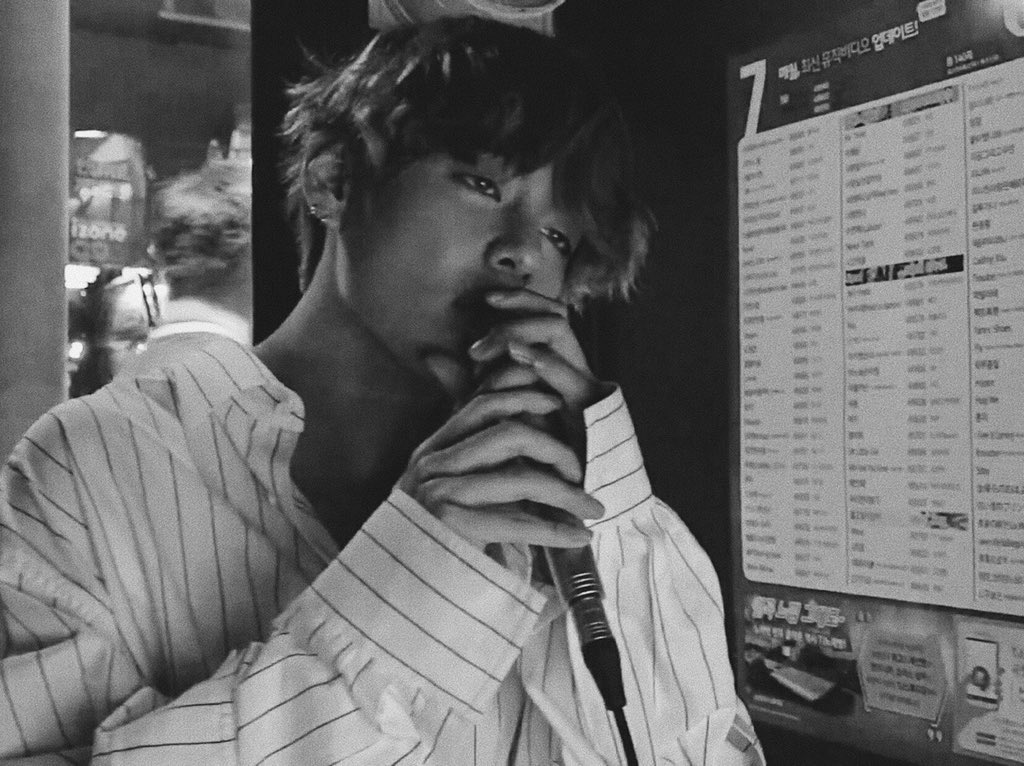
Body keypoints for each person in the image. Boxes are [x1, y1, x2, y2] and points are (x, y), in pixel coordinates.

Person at [0, 16, 762, 765]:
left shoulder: (565, 500)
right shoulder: (89, 467)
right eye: (483, 183)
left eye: (560, 237)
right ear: (334, 180)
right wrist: (410, 585)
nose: (524, 252)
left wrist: (613, 507)